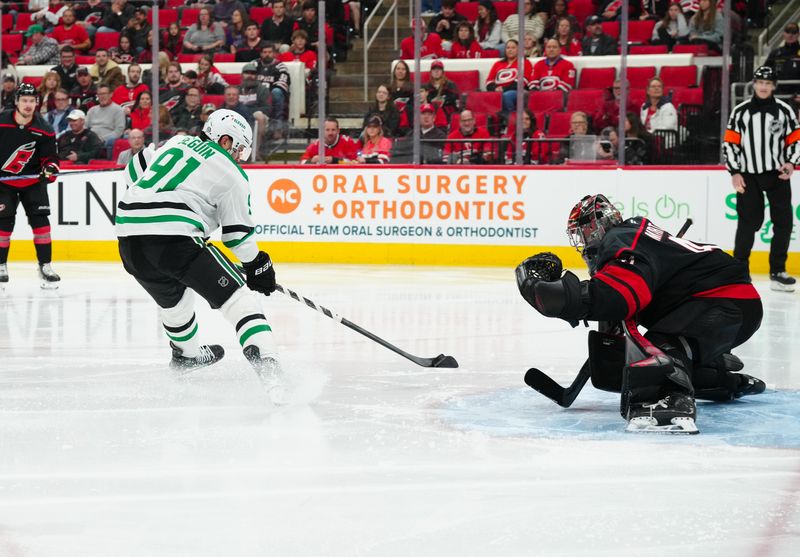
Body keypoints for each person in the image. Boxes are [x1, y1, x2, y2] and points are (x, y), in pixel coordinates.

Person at [515, 194, 766, 433]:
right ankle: (726, 381)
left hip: (723, 302)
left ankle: (673, 404)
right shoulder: (632, 236)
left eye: (585, 233)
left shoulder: (621, 238)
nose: (584, 242)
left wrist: (557, 297)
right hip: (727, 304)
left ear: (602, 226)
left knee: (661, 347)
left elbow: (622, 295)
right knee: (654, 351)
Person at [116, 108, 285, 400]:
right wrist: (259, 266)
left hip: (129, 238)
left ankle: (186, 355)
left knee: (175, 299)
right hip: (174, 240)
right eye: (239, 148)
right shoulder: (233, 174)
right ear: (224, 140)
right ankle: (270, 370)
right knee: (239, 299)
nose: (239, 156)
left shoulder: (177, 142)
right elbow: (238, 238)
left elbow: (133, 170)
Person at [724, 66, 800, 292]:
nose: (764, 87)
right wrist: (734, 171)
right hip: (748, 176)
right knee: (748, 223)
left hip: (777, 175)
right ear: (754, 84)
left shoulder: (785, 111)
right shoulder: (740, 111)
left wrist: (791, 162)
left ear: (774, 86)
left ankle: (777, 271)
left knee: (784, 222)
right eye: (760, 82)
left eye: (768, 83)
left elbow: (795, 140)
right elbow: (730, 143)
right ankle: (740, 272)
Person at [0, 83, 61, 289]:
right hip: (3, 184)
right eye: (24, 100)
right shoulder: (1, 122)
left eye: (32, 101)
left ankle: (45, 266)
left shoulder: (44, 129)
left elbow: (51, 159)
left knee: (42, 225)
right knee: (3, 225)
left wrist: (50, 169)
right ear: (16, 102)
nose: (28, 105)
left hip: (33, 182)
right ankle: (1, 265)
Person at [485, 40, 533, 114]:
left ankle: (511, 120)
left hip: (517, 91)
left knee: (506, 96)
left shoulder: (525, 62)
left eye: (513, 48)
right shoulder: (498, 64)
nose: (510, 50)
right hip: (498, 91)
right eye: (508, 48)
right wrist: (495, 88)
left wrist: (503, 89)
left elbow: (523, 81)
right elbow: (489, 81)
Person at [254, 44, 290, 139]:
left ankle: (277, 128)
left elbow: (283, 81)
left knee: (277, 92)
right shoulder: (254, 64)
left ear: (274, 53)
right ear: (261, 54)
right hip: (256, 92)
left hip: (272, 94)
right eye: (265, 52)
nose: (267, 54)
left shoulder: (280, 66)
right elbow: (247, 78)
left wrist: (267, 92)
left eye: (270, 52)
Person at [86, 85, 126, 155]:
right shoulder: (92, 110)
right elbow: (84, 127)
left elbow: (119, 131)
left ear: (111, 94)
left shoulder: (118, 110)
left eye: (104, 94)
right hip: (91, 140)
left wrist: (102, 139)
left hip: (105, 141)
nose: (102, 96)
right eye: (100, 94)